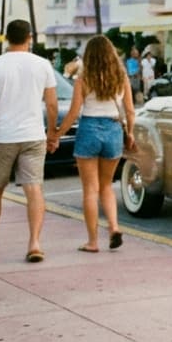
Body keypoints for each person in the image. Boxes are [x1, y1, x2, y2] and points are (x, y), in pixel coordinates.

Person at [0, 19, 59, 262]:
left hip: (1, 136)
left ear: (7, 38)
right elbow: (52, 104)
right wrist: (52, 134)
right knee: (34, 189)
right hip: (33, 135)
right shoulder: (43, 65)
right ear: (29, 37)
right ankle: (34, 243)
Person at [52, 36, 134, 252]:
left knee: (90, 189)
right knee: (107, 186)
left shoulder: (83, 78)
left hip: (89, 129)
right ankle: (114, 227)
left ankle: (93, 242)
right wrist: (131, 132)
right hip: (114, 130)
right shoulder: (121, 76)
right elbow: (130, 110)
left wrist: (58, 134)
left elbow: (73, 112)